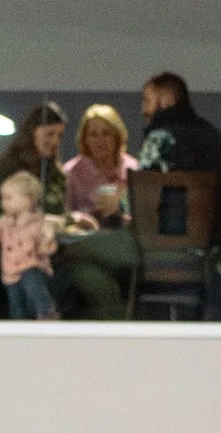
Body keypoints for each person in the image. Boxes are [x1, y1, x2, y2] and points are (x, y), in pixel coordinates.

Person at [55, 103, 143, 320]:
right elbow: (62, 219)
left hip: (121, 245)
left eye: (106, 133)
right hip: (85, 248)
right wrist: (81, 220)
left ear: (117, 136)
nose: (100, 140)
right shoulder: (71, 172)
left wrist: (121, 208)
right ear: (85, 139)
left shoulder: (134, 170)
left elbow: (145, 217)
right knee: (98, 287)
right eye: (93, 134)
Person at [134, 72, 221, 234]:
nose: (143, 110)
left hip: (164, 240)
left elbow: (142, 198)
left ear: (167, 98)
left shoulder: (160, 138)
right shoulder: (214, 136)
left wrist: (116, 201)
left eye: (147, 101)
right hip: (214, 241)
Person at [0, 171, 59, 319]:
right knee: (16, 303)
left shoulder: (39, 223)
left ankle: (46, 313)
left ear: (27, 201)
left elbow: (48, 247)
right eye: (3, 198)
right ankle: (19, 326)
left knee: (34, 289)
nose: (3, 203)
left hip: (32, 267)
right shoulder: (5, 222)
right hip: (10, 272)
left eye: (8, 198)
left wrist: (46, 241)